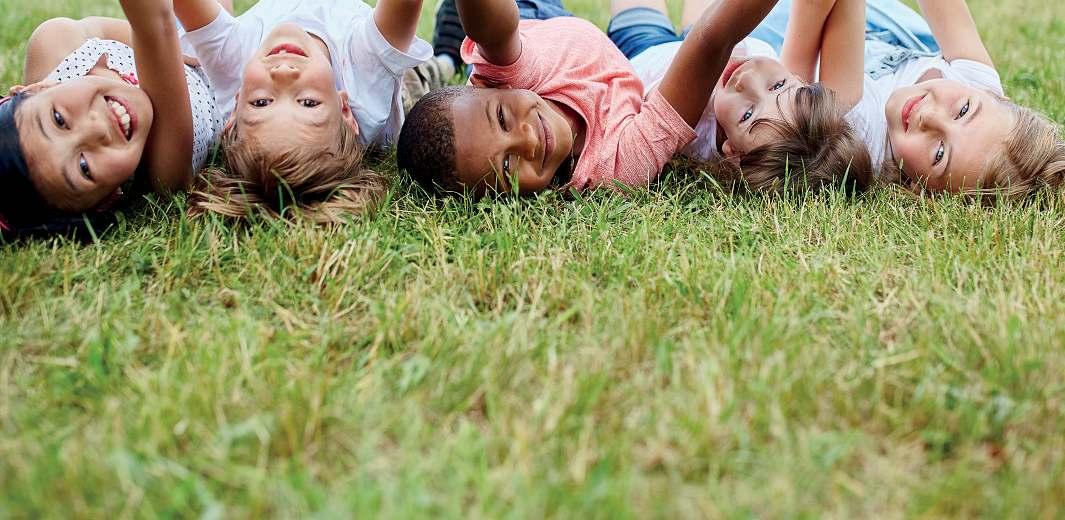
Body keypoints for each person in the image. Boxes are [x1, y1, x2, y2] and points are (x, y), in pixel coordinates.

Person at [397, 0, 782, 196]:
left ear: (488, 87)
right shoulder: (616, 168)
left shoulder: (510, 77)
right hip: (624, 46)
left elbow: (493, 30)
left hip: (528, 13)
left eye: (502, 120)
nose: (527, 139)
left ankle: (453, 31)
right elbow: (709, 43)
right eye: (508, 165)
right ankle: (449, 37)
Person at [174, 0, 431, 222]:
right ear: (344, 110)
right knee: (425, 74)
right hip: (404, 83)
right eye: (308, 102)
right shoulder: (365, 79)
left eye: (261, 102)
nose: (283, 73)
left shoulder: (233, 68)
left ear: (235, 108)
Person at [776, 0, 1064, 198]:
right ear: (995, 95)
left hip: (793, 31)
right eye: (963, 110)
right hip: (882, 28)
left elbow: (817, 8)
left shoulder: (859, 128)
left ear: (918, 187)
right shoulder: (979, 89)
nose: (929, 117)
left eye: (939, 154)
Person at [0, 0, 223, 236]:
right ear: (106, 201)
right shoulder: (164, 172)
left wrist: (181, 43)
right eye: (85, 167)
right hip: (228, 68)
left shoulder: (54, 44)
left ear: (33, 90)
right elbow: (154, 25)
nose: (97, 128)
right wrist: (172, 43)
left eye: (59, 120)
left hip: (188, 33)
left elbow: (106, 29)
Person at [605, 0, 873, 193]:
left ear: (732, 152)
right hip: (707, 36)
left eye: (747, 115)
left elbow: (711, 39)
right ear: (800, 80)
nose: (747, 80)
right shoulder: (789, 118)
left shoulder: (692, 131)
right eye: (778, 85)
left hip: (642, 48)